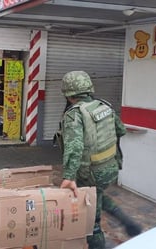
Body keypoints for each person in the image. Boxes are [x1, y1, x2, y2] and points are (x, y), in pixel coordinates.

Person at [58, 71, 141, 249]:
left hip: (92, 173)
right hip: (111, 166)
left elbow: (74, 147)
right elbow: (121, 130)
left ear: (68, 93)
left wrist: (69, 176)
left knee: (91, 220)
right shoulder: (104, 106)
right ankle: (126, 220)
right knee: (98, 196)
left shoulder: (75, 114)